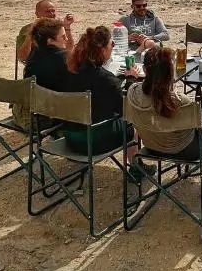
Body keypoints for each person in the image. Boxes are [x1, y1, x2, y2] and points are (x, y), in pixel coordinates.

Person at [126, 46, 202, 189]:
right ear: (171, 72)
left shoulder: (133, 94)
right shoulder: (179, 101)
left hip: (152, 147)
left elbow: (139, 89)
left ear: (144, 70)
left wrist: (131, 76)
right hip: (187, 150)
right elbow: (197, 126)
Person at [63, 26, 150, 178]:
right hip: (93, 142)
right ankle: (136, 168)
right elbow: (126, 110)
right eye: (112, 44)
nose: (112, 47)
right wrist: (131, 79)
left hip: (70, 138)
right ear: (102, 50)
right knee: (132, 125)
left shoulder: (71, 71)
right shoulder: (105, 79)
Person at [12, 17, 71, 128]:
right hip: (40, 121)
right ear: (50, 41)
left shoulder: (34, 54)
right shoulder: (64, 58)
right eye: (63, 37)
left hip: (23, 114)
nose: (66, 39)